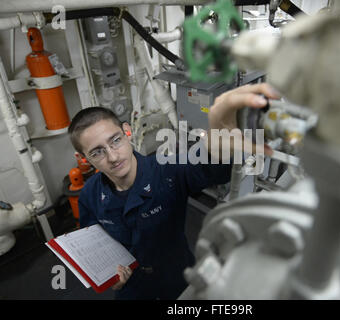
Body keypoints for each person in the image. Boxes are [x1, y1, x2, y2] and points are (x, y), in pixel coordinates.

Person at [68, 83, 279, 299]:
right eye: (97, 152)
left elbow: (208, 169)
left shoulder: (166, 171)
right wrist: (112, 272)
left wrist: (217, 148)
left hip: (176, 275)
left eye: (115, 140)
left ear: (127, 132)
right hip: (132, 286)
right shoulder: (89, 195)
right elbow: (96, 242)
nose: (113, 157)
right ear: (85, 159)